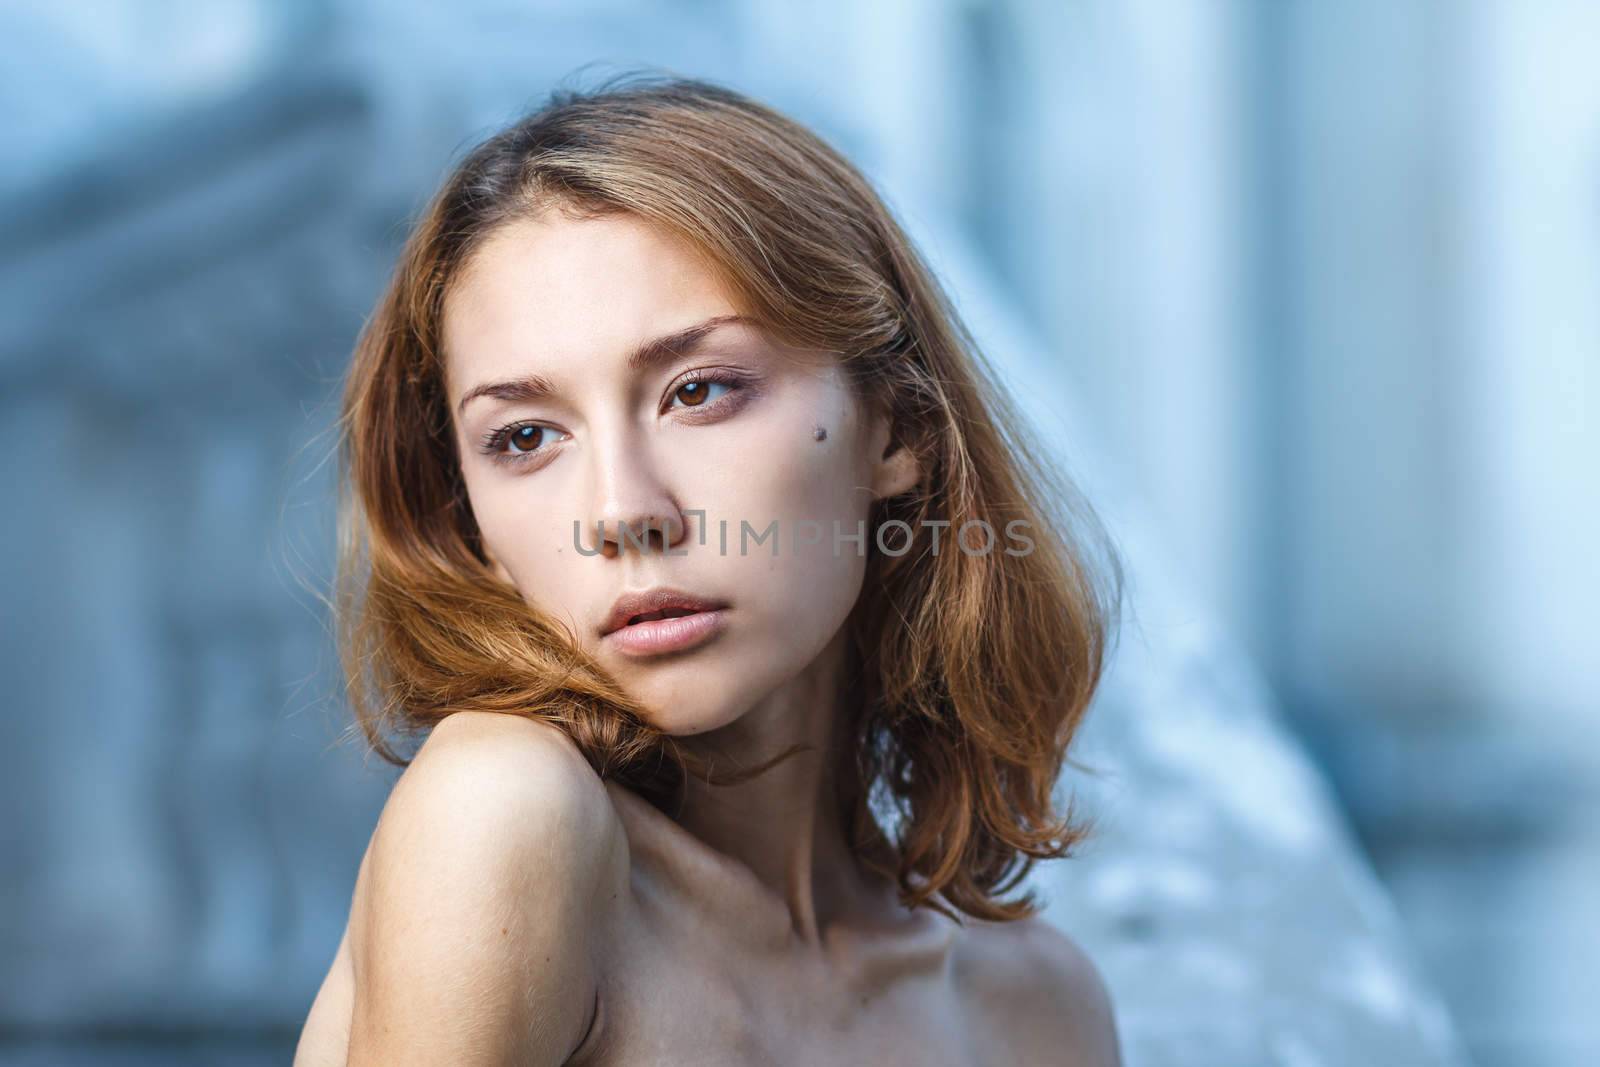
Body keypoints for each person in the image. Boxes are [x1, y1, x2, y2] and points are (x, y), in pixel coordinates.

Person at [293, 72, 1125, 1066]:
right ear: (468, 523)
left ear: (896, 422)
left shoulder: (1035, 1010)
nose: (620, 512)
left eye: (699, 391)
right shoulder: (505, 810)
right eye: (523, 435)